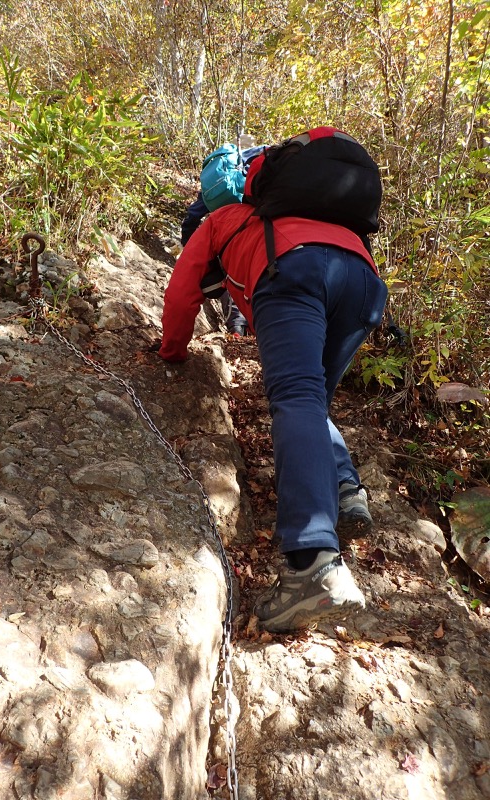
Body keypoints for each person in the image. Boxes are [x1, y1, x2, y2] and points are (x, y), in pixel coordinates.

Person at [158, 132, 388, 633]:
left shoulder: (222, 220)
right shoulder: (303, 212)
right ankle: (345, 488)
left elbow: (181, 294)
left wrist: (172, 353)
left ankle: (313, 565)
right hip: (364, 281)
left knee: (297, 399)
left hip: (297, 271)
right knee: (313, 402)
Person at [180, 135, 265, 337]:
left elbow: (193, 215)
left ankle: (236, 329)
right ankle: (252, 330)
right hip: (258, 225)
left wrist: (190, 247)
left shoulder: (219, 174)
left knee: (231, 272)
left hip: (227, 229)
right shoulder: (266, 158)